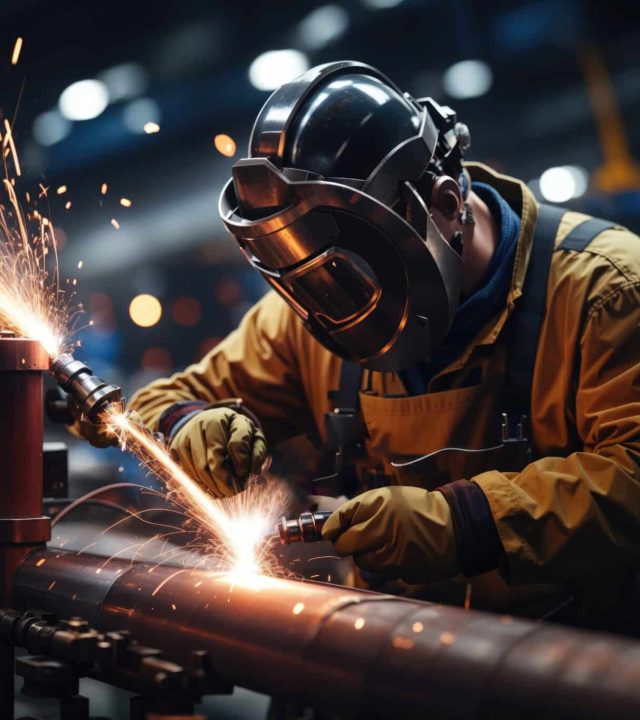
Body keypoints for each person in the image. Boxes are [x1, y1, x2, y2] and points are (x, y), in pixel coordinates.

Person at [75, 61, 640, 622]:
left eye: (352, 277)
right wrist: (188, 422)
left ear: (442, 205)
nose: (332, 309)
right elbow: (153, 405)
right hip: (396, 659)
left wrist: (463, 522)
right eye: (309, 282)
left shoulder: (607, 290)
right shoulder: (304, 316)